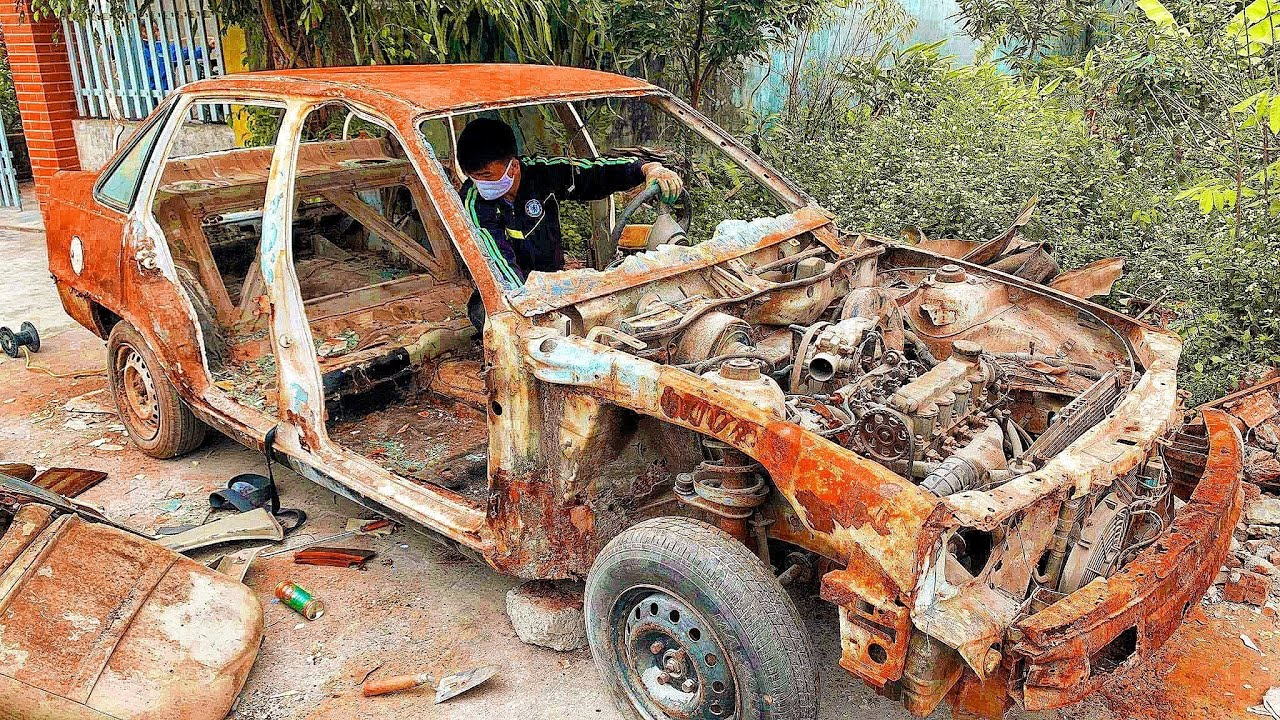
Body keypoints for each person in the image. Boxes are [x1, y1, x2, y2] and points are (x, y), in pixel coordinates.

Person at [457, 117, 683, 330]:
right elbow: (497, 260)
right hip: (509, 287)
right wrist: (526, 304)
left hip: (554, 281)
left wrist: (647, 169)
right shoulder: (474, 201)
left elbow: (595, 173)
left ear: (513, 167)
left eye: (486, 175)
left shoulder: (541, 174)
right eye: (473, 177)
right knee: (491, 317)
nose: (480, 184)